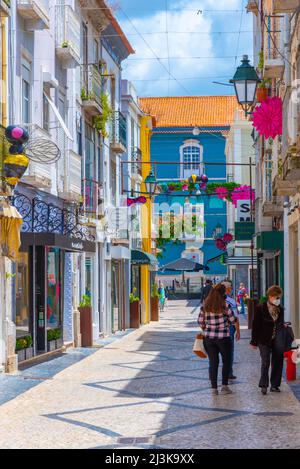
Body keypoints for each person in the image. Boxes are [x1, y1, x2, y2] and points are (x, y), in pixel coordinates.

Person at [198, 284, 240, 395]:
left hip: (209, 338)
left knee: (213, 363)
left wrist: (206, 328)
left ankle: (214, 389)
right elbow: (233, 320)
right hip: (223, 338)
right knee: (226, 362)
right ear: (223, 293)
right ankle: (224, 386)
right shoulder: (225, 305)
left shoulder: (205, 305)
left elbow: (200, 321)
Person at [250, 285, 286, 395]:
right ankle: (264, 385)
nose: (278, 300)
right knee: (265, 362)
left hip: (277, 339)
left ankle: (275, 385)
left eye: (279, 298)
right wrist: (254, 341)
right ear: (270, 296)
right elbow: (255, 326)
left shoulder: (280, 309)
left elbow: (280, 323)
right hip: (263, 339)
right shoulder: (260, 308)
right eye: (276, 297)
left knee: (278, 361)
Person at [222, 281, 240, 380]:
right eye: (230, 288)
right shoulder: (231, 301)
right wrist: (238, 331)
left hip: (213, 331)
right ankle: (229, 372)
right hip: (229, 328)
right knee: (229, 350)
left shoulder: (211, 300)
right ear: (227, 289)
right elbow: (235, 318)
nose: (231, 289)